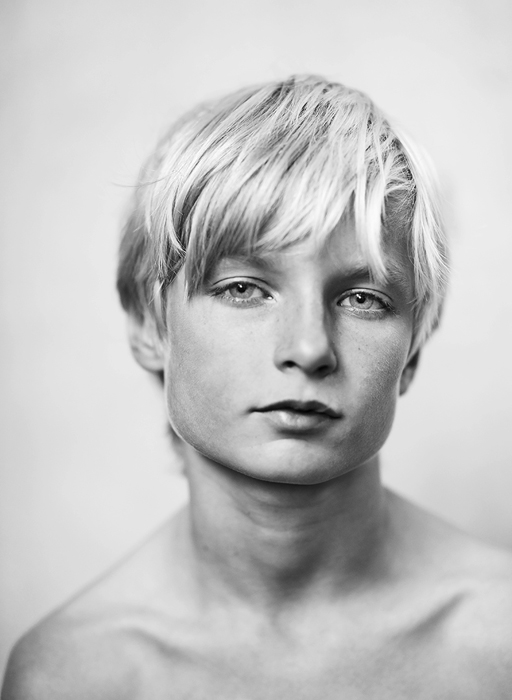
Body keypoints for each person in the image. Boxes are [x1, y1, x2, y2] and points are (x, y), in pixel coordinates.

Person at [3, 74, 512, 699]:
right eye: (243, 288)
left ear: (414, 351)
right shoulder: (73, 677)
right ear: (148, 325)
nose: (309, 347)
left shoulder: (499, 642)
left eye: (362, 298)